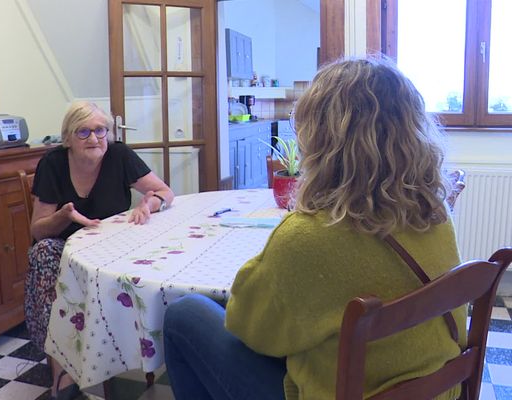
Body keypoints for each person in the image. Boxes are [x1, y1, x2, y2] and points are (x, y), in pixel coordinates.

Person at [163, 57, 464, 400]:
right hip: (436, 387)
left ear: (322, 142)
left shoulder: (308, 236)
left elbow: (250, 331)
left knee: (185, 312)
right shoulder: (436, 213)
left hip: (347, 391)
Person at [25, 101, 173, 399]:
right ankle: (61, 369)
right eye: (83, 132)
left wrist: (148, 203)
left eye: (100, 130)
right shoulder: (52, 164)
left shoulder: (120, 156)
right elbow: (37, 230)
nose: (94, 139)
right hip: (62, 248)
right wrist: (63, 215)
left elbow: (164, 191)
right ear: (67, 137)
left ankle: (127, 346)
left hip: (109, 245)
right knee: (41, 255)